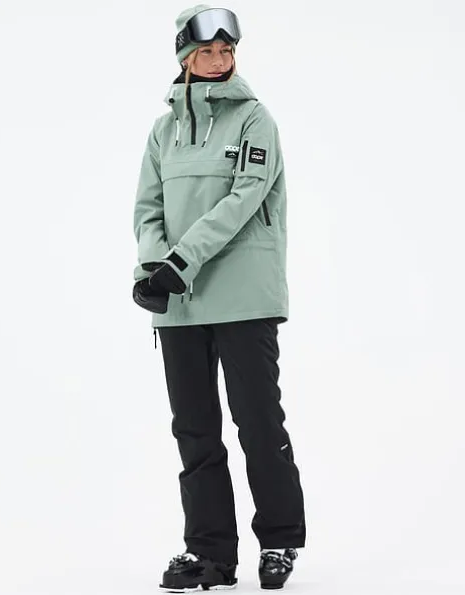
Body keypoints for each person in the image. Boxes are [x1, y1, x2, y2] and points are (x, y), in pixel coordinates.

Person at [132, 5, 306, 591]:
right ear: (186, 56)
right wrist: (152, 269)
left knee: (258, 422)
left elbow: (243, 201)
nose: (218, 60)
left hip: (244, 298)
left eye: (226, 50)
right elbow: (148, 210)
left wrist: (178, 262)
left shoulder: (256, 120)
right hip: (178, 301)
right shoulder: (163, 131)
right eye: (206, 51)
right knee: (195, 430)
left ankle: (280, 539)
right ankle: (210, 553)